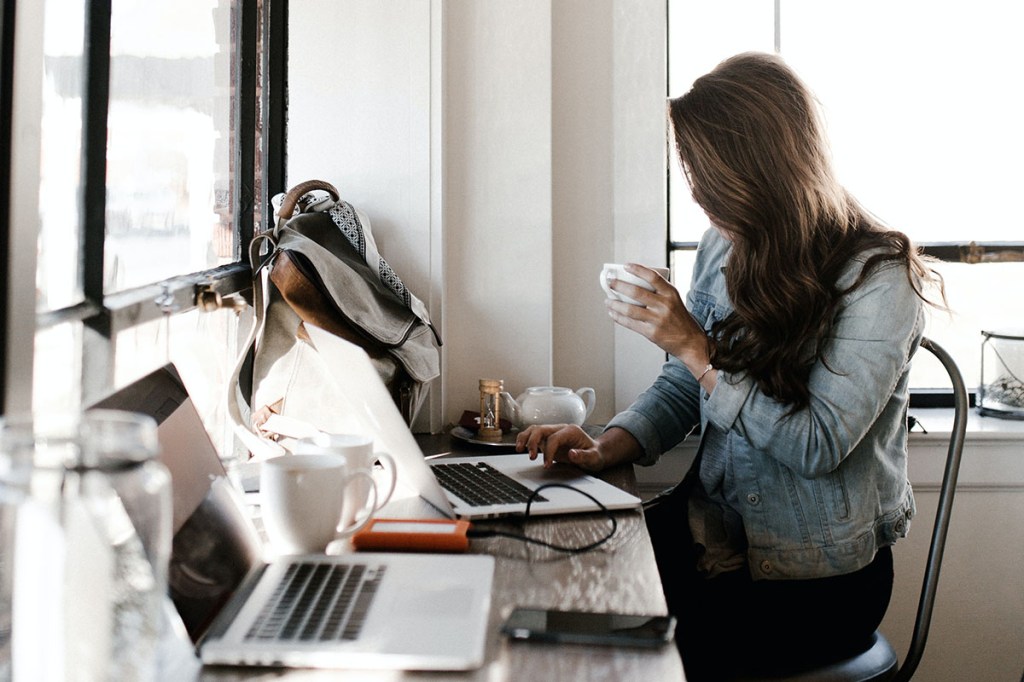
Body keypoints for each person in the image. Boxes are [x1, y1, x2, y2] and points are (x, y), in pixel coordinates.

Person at [515, 51, 946, 680]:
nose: (697, 193)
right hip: (712, 539)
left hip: (814, 581)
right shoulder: (727, 242)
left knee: (607, 647)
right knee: (551, 578)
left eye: (706, 175)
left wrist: (696, 346)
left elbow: (817, 444)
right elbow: (684, 384)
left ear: (761, 170)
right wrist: (611, 445)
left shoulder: (879, 279)